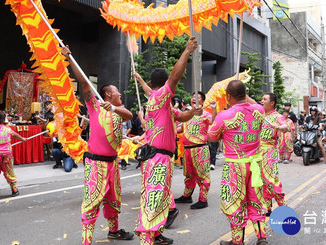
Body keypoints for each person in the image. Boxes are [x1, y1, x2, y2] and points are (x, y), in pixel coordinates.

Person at [62, 45, 135, 244]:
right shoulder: (95, 107)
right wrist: (69, 58)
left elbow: (129, 115)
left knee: (113, 199)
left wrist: (115, 108)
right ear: (108, 94)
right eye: (117, 93)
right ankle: (87, 240)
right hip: (97, 164)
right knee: (92, 201)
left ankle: (114, 230)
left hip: (113, 163)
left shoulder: (119, 110)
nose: (120, 95)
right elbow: (84, 83)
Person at [131, 36, 199, 245]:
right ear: (162, 87)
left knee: (159, 197)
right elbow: (174, 78)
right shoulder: (161, 96)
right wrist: (186, 51)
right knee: (155, 198)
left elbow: (182, 117)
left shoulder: (156, 100)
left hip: (160, 158)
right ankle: (147, 238)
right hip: (158, 158)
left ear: (152, 84)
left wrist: (193, 112)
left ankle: (157, 234)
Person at [208, 80, 268, 245]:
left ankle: (237, 240)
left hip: (235, 166)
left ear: (228, 96)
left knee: (234, 203)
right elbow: (253, 103)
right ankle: (261, 237)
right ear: (245, 94)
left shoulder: (225, 115)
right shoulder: (259, 110)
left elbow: (211, 136)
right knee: (256, 200)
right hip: (255, 164)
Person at [174, 91, 216, 209]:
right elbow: (180, 129)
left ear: (202, 102)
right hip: (187, 150)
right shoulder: (186, 114)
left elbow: (214, 122)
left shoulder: (206, 115)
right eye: (193, 97)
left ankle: (203, 200)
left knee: (203, 175)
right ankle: (187, 196)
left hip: (200, 149)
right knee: (189, 174)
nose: (194, 99)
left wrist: (214, 110)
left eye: (197, 98)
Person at [257, 92, 289, 213]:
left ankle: (283, 206)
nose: (261, 101)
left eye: (264, 99)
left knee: (271, 180)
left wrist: (279, 127)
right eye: (261, 99)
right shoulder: (259, 115)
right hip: (256, 152)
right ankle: (267, 207)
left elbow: (285, 126)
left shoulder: (277, 117)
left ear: (272, 103)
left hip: (269, 152)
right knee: (260, 180)